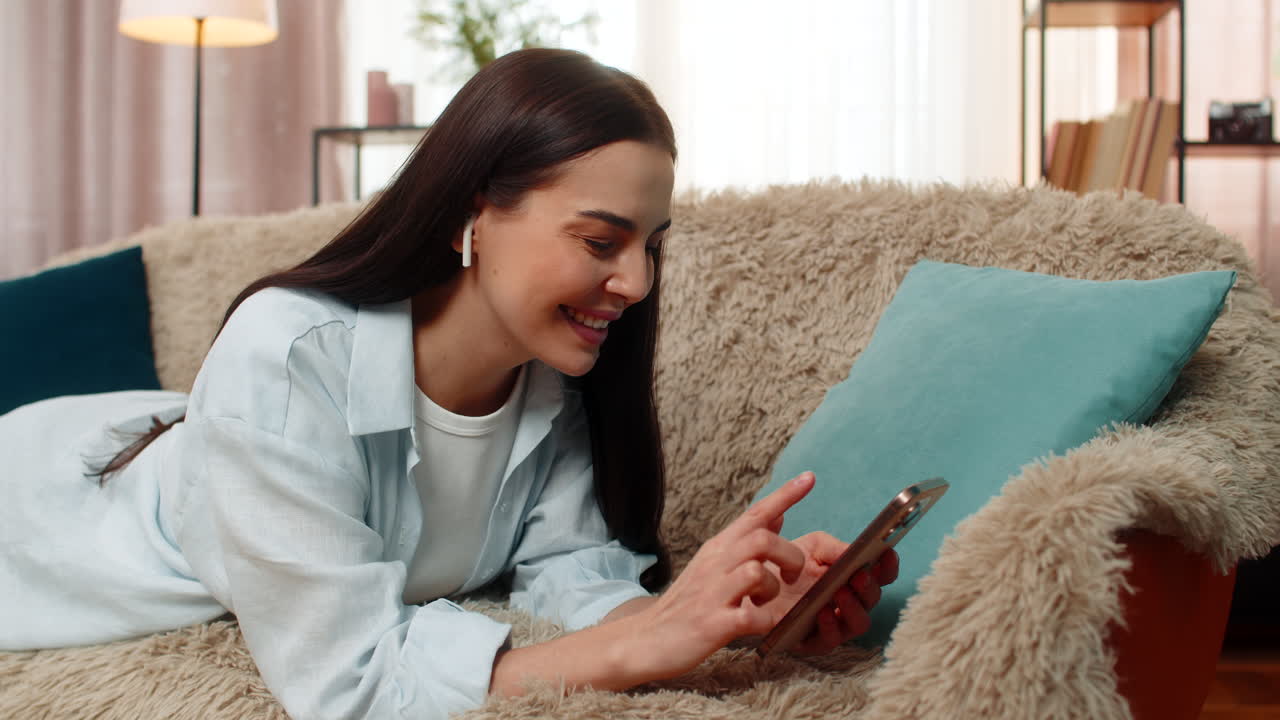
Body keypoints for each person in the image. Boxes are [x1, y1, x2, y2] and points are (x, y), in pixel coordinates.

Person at [0, 49, 896, 719]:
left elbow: (570, 575)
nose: (637, 283)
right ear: (477, 211)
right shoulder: (286, 355)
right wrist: (641, 648)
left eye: (650, 246)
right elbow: (350, 683)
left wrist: (725, 611)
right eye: (599, 241)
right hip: (37, 512)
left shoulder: (552, 380)